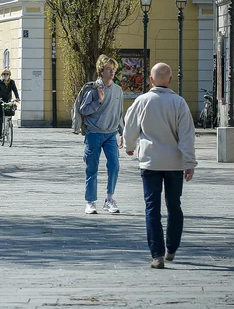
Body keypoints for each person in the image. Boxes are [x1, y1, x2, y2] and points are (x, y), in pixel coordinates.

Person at [124, 63, 197, 269]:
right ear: (171, 80)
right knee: (174, 206)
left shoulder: (142, 101)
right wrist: (189, 162)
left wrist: (130, 146)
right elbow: (187, 135)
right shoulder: (179, 103)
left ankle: (157, 255)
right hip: (174, 163)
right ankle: (172, 248)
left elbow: (130, 125)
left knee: (152, 207)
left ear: (151, 79)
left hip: (150, 161)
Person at [79, 54, 124, 215]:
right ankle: (90, 202)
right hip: (94, 133)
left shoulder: (118, 90)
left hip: (111, 134)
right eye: (108, 69)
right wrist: (98, 101)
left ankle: (109, 199)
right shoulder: (93, 89)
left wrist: (122, 132)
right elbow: (83, 110)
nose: (112, 72)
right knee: (92, 168)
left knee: (114, 166)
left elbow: (119, 113)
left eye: (114, 69)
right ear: (101, 71)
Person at [0, 69, 20, 138]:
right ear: (2, 75)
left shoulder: (12, 82)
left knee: (9, 115)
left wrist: (17, 97)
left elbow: (15, 90)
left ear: (9, 75)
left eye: (7, 74)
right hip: (0, 102)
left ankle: (8, 128)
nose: (5, 75)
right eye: (4, 74)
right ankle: (0, 135)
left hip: (8, 101)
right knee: (0, 119)